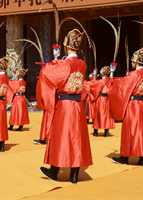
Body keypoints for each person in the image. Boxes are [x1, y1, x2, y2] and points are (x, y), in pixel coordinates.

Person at [38, 29, 92, 184]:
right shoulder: (82, 64)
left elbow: (47, 74)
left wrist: (53, 62)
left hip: (65, 104)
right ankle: (74, 175)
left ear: (67, 47)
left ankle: (54, 170)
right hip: (78, 105)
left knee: (60, 136)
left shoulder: (63, 63)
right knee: (77, 137)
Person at [109, 47, 143, 166]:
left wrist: (111, 78)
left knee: (130, 130)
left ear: (135, 62)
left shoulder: (134, 75)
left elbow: (122, 85)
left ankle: (125, 157)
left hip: (134, 106)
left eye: (132, 62)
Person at [90, 66, 114, 138]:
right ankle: (106, 133)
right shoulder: (109, 81)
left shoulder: (100, 82)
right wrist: (112, 73)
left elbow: (93, 86)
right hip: (107, 99)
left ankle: (95, 133)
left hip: (100, 100)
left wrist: (94, 77)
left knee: (97, 115)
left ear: (102, 74)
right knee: (107, 115)